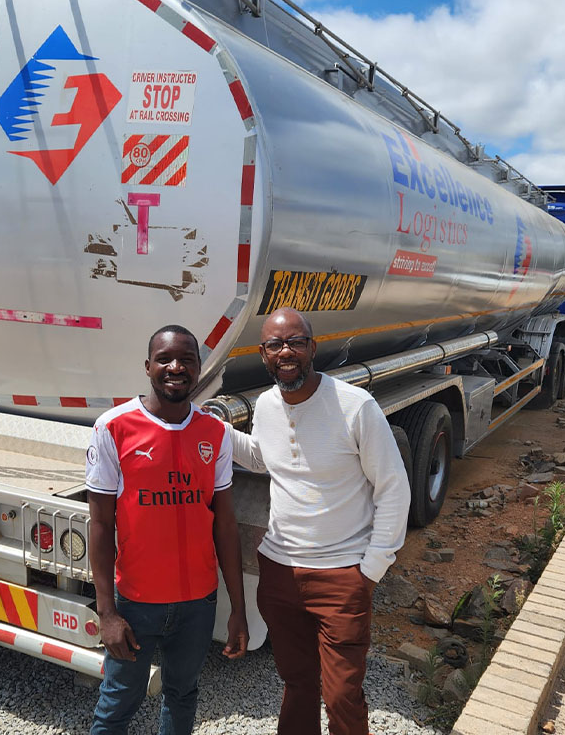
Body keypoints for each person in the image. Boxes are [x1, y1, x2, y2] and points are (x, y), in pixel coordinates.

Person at [230, 307, 410, 735]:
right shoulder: (267, 404)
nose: (285, 351)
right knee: (297, 683)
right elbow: (263, 457)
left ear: (313, 347)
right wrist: (209, 428)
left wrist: (371, 569)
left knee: (342, 694)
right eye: (275, 344)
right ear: (263, 354)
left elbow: (393, 487)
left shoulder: (355, 406)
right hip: (280, 571)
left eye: (295, 341)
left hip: (342, 574)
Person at [86, 324, 249, 735]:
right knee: (119, 701)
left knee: (183, 694)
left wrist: (238, 611)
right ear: (148, 366)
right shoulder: (113, 428)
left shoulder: (215, 433)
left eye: (187, 360)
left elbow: (225, 525)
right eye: (165, 359)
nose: (176, 367)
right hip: (136, 603)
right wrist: (107, 612)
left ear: (199, 369)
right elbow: (101, 525)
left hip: (198, 603)